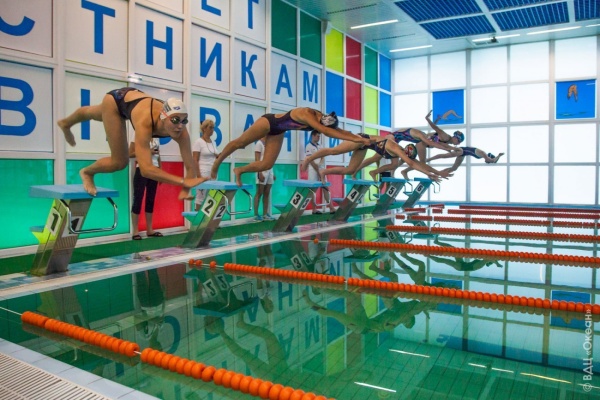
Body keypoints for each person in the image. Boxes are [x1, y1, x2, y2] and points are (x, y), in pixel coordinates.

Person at [58, 87, 207, 198]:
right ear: (163, 117)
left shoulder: (182, 132)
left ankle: (65, 123)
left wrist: (186, 190)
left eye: (184, 120)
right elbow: (146, 169)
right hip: (116, 101)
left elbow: (190, 166)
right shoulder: (145, 122)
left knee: (95, 112)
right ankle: (87, 171)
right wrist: (182, 182)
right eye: (175, 120)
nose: (180, 125)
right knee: (119, 162)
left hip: (133, 99)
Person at [209, 108, 372, 185]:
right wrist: (358, 140)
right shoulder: (308, 114)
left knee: (266, 164)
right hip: (269, 122)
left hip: (279, 131)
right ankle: (218, 162)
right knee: (240, 143)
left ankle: (239, 170)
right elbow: (326, 131)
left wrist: (359, 139)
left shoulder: (325, 120)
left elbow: (340, 131)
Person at [301, 134, 452, 183]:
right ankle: (308, 159)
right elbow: (412, 163)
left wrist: (436, 173)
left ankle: (324, 172)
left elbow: (417, 163)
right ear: (406, 153)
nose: (406, 161)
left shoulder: (402, 154)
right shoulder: (395, 148)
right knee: (334, 151)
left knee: (350, 170)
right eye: (407, 158)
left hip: (364, 147)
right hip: (362, 139)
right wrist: (430, 174)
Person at [129, 138, 162, 240]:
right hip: (142, 169)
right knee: (138, 198)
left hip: (154, 170)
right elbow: (130, 154)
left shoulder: (156, 137)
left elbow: (158, 156)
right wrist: (148, 152)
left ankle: (150, 229)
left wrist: (161, 172)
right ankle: (135, 231)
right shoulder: (137, 134)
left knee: (150, 200)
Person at [304, 130, 336, 214]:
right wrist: (318, 170)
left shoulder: (320, 146)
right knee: (313, 190)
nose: (319, 138)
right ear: (313, 136)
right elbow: (310, 160)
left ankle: (331, 207)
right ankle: (314, 209)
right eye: (317, 136)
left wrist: (320, 167)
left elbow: (323, 157)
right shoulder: (308, 146)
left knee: (326, 188)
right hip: (313, 169)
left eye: (319, 136)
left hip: (321, 169)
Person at [192, 119, 219, 211]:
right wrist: (198, 176)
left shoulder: (213, 142)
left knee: (211, 196)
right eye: (210, 128)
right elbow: (195, 160)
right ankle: (197, 218)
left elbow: (216, 157)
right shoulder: (198, 142)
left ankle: (207, 218)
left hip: (213, 172)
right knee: (200, 197)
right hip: (203, 172)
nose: (212, 130)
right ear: (204, 128)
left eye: (213, 128)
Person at [427, 147, 505, 173]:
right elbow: (493, 161)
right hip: (461, 150)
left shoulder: (482, 156)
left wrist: (497, 157)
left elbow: (493, 161)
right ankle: (428, 159)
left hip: (463, 154)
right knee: (444, 156)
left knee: (454, 168)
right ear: (489, 158)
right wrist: (499, 155)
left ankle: (438, 174)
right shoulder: (484, 154)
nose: (487, 162)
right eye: (488, 162)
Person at [253, 136, 274, 221]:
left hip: (270, 169)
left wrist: (273, 173)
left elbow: (271, 159)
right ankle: (255, 215)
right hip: (262, 170)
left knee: (267, 193)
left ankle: (265, 214)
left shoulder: (269, 144)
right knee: (259, 192)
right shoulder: (259, 144)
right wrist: (259, 172)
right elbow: (257, 160)